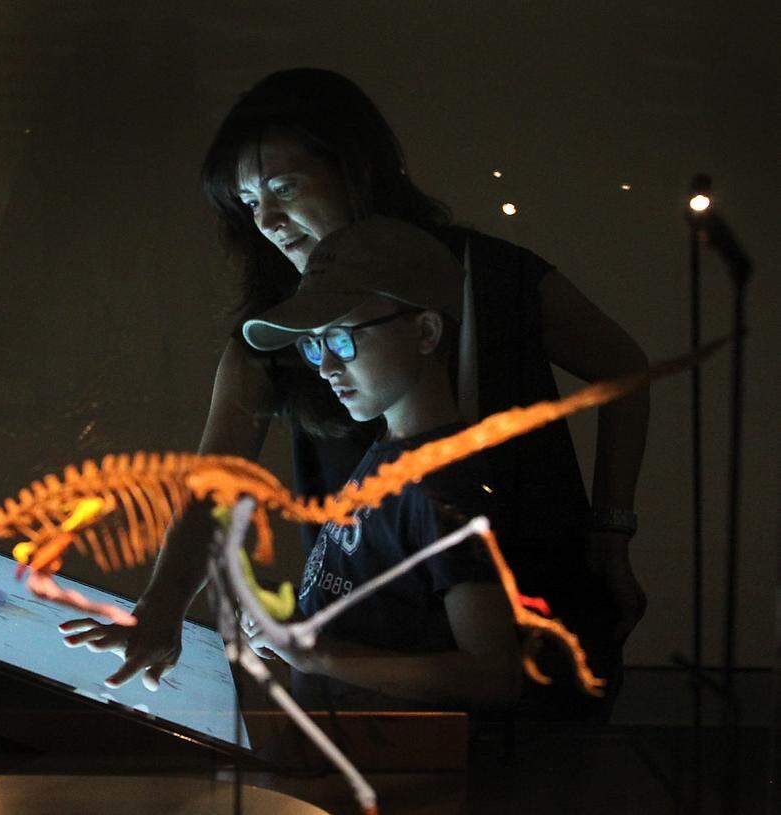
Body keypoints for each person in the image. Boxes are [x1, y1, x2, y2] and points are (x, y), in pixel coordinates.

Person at [60, 68, 648, 719]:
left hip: (535, 633)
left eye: (284, 187)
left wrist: (611, 532)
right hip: (378, 681)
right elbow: (213, 487)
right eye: (249, 203)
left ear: (355, 168)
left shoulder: (487, 274)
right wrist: (162, 608)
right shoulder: (272, 333)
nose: (268, 220)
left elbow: (623, 368)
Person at [239, 216, 522, 712]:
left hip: (401, 756)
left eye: (342, 339)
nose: (326, 367)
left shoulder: (446, 484)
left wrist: (317, 654)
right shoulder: (389, 452)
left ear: (426, 330)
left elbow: (493, 675)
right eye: (314, 345)